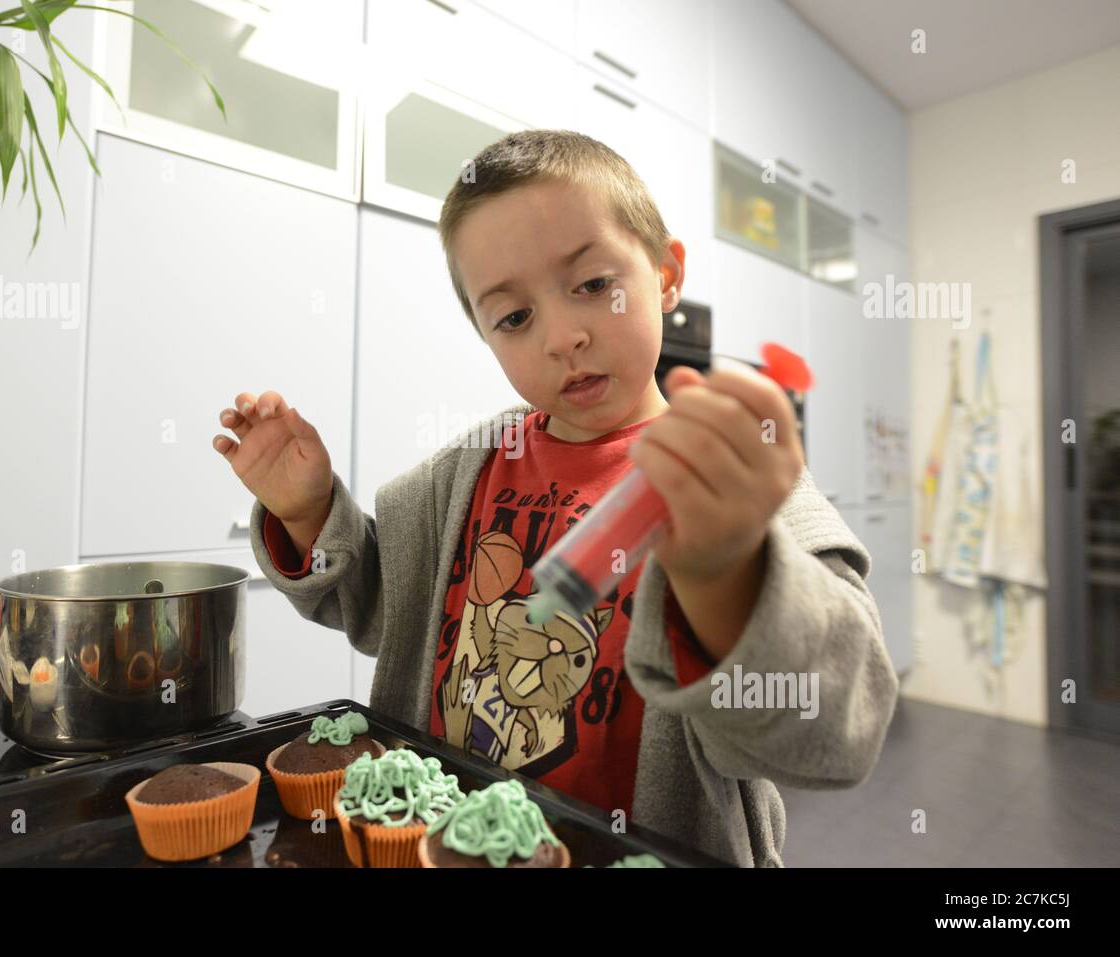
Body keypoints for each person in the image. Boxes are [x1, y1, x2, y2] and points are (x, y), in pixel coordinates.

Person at [213, 130, 899, 867]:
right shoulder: (464, 473)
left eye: (593, 283)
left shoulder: (735, 488)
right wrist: (310, 512)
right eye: (514, 317)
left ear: (666, 275)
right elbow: (386, 605)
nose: (564, 336)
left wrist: (727, 577)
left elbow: (836, 727)